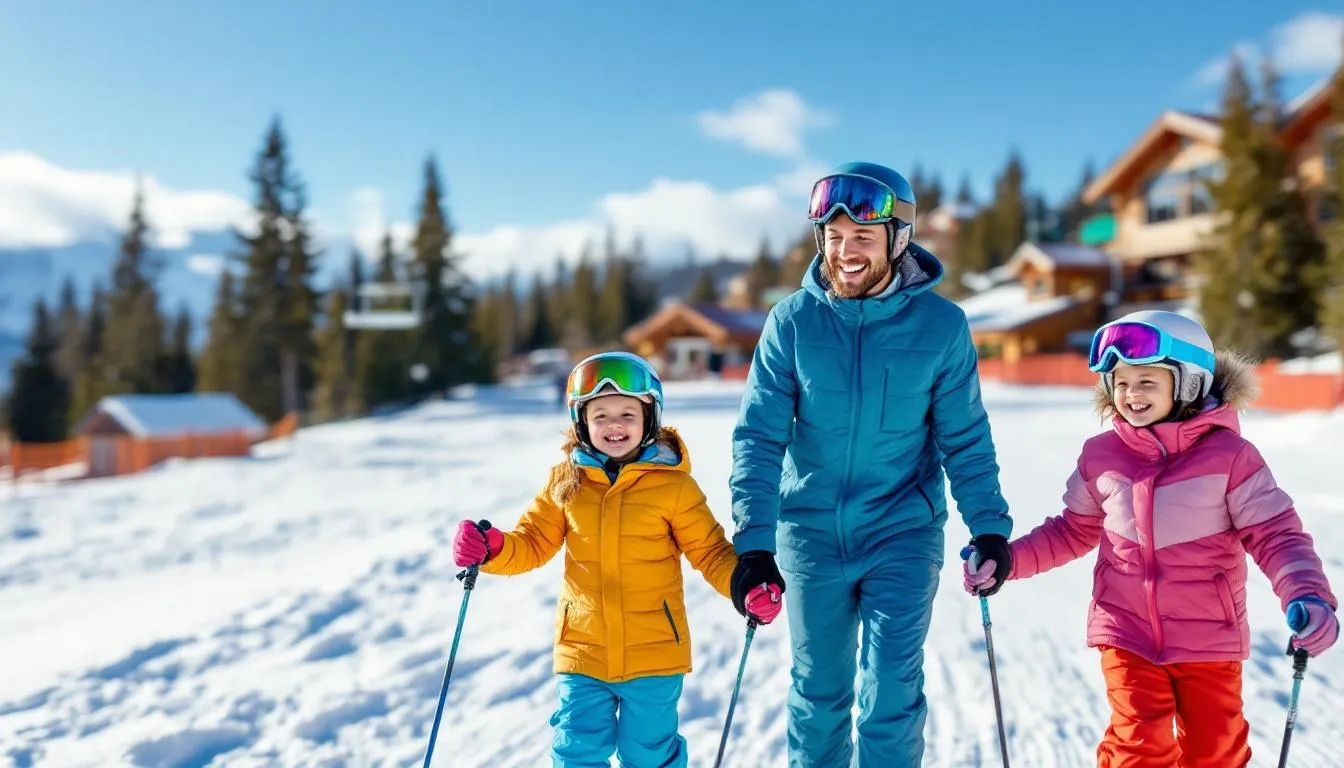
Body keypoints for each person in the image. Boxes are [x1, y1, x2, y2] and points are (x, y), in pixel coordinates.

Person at [728, 162, 1014, 766]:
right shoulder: (791, 323)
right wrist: (754, 546)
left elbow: (965, 437)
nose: (844, 250)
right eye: (832, 237)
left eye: (861, 237)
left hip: (901, 531)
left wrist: (989, 527)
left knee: (890, 693)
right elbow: (759, 438)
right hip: (810, 532)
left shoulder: (942, 327)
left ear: (897, 238)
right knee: (819, 693)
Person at [964, 310, 1339, 767]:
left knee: (1215, 749)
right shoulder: (1102, 456)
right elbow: (1071, 529)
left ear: (1188, 384)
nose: (1130, 395)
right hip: (1125, 630)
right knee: (1141, 739)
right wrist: (1008, 561)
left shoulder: (1231, 458)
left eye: (1146, 382)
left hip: (1209, 636)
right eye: (1120, 383)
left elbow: (1275, 534)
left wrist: (1308, 594)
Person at [452, 351, 783, 767]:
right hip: (583, 651)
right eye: (601, 415)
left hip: (655, 655)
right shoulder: (566, 483)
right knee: (577, 750)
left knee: (648, 755)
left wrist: (746, 584)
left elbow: (710, 552)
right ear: (581, 423)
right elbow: (532, 542)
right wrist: (493, 548)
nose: (615, 425)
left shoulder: (674, 488)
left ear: (649, 419)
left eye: (628, 413)